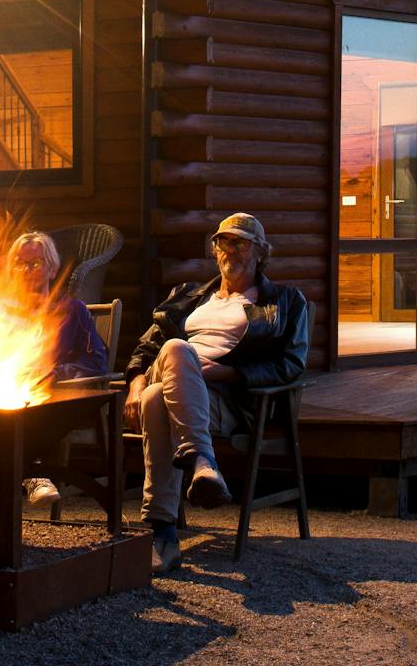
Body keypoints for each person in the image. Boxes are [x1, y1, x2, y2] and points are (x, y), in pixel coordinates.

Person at [121, 212, 309, 576]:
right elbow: (146, 349)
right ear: (214, 249)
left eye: (240, 242)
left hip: (224, 398)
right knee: (175, 350)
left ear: (260, 252)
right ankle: (203, 462)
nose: (230, 250)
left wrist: (230, 372)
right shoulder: (188, 296)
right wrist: (135, 382)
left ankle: (163, 537)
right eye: (224, 241)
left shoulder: (284, 302)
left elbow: (292, 363)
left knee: (156, 400)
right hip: (175, 370)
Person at [8, 230, 110, 506]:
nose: (27, 270)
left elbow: (96, 362)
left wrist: (57, 373)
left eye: (36, 263)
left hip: (52, 393)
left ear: (52, 269)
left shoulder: (72, 311)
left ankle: (35, 472)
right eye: (20, 263)